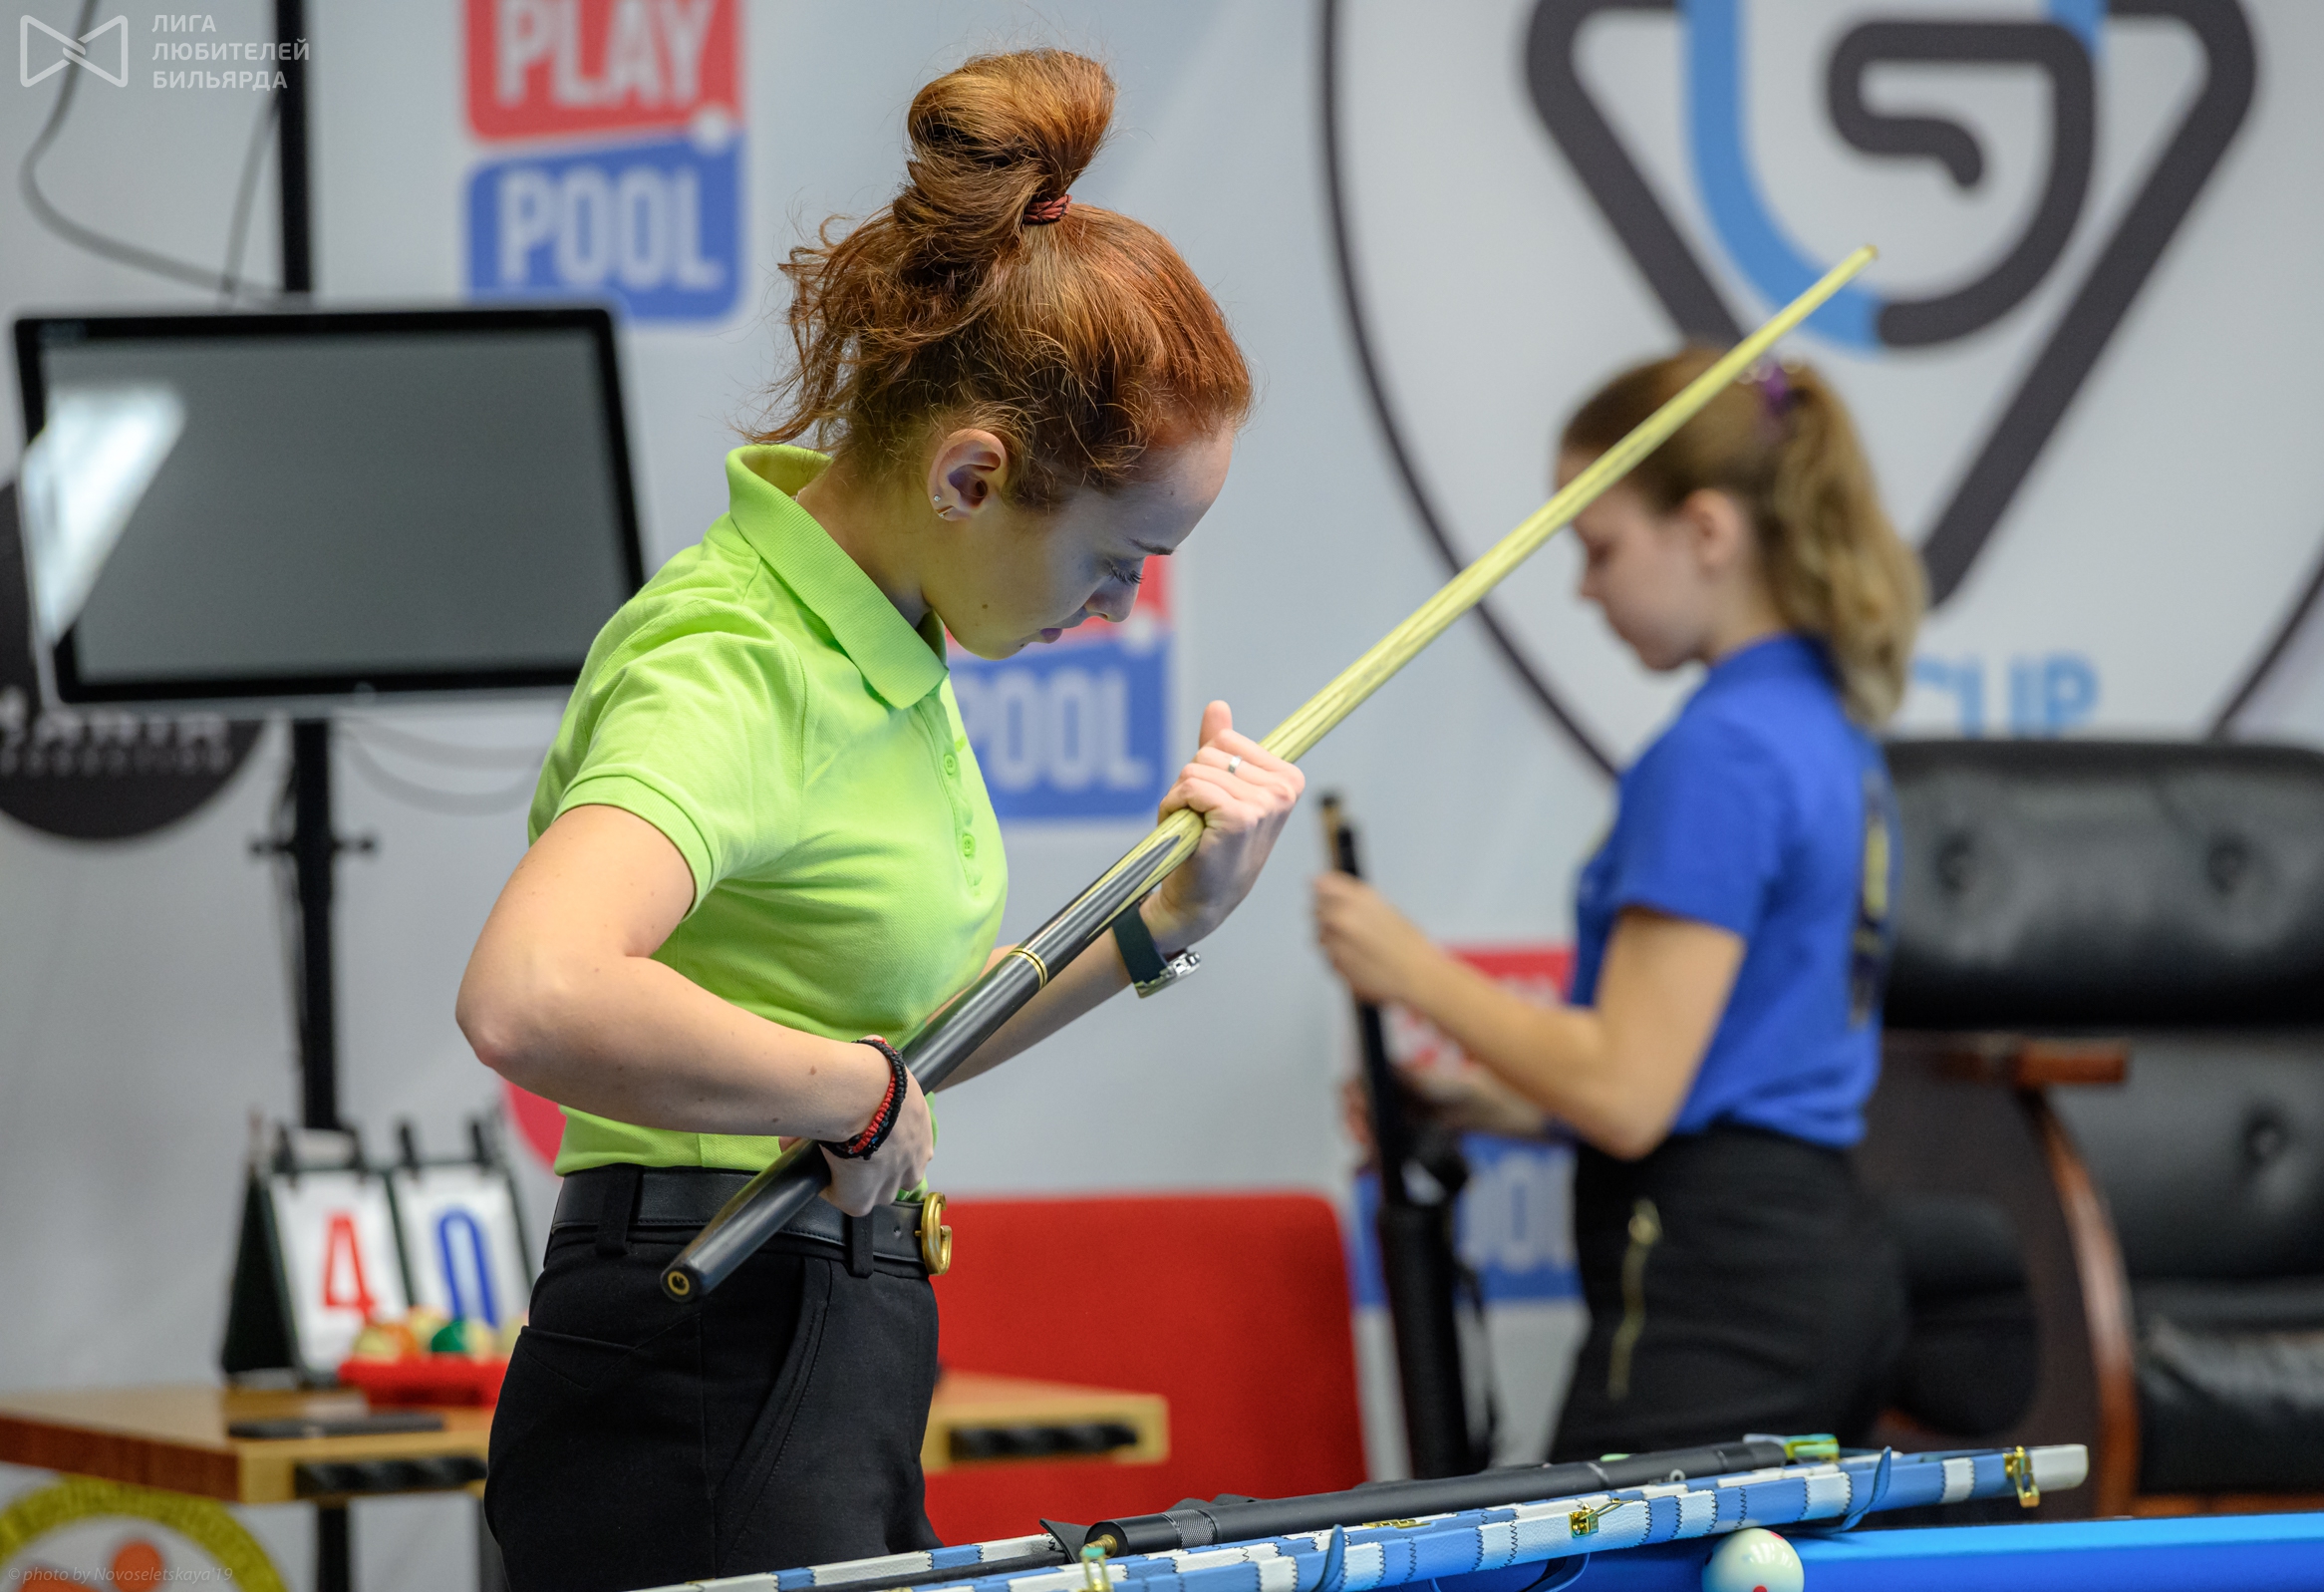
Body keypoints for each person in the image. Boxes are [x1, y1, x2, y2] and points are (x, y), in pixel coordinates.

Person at [456, 50, 1303, 1592]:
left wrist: (1169, 921)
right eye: (1117, 560)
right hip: (706, 1354)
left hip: (810, 1340)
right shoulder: (738, 655)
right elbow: (533, 992)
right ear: (973, 474)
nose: (1121, 610)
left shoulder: (888, 644)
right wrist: (848, 1094)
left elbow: (914, 1036)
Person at [1312, 350, 1924, 1460]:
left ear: (1707, 530)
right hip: (1811, 1261)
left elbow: (1629, 1094)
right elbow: (1712, 1071)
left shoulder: (1722, 754)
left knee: (1584, 1553)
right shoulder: (1821, 724)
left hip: (1715, 1285)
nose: (1584, 589)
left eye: (1599, 548)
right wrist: (1481, 1102)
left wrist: (1410, 969)